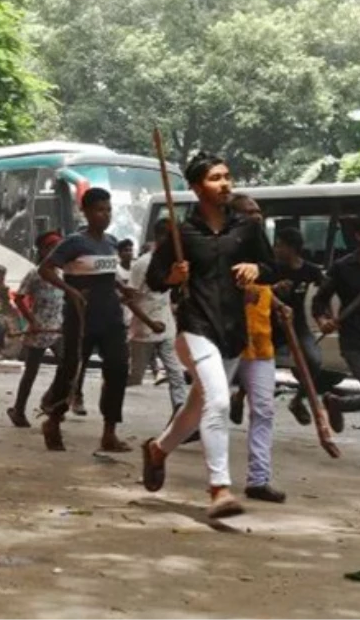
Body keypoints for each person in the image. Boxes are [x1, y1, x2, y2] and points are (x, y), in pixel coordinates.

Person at [140, 152, 276, 519]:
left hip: (233, 329)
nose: (225, 183)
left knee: (198, 403)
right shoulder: (180, 233)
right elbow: (154, 279)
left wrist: (255, 267)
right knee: (217, 402)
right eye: (216, 178)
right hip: (195, 328)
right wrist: (173, 277)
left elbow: (272, 267)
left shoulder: (246, 228)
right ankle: (219, 488)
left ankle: (157, 449)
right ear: (197, 187)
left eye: (227, 176)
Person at [37, 188, 140, 453]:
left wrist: (122, 289)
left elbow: (106, 275)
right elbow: (45, 269)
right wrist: (70, 290)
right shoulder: (73, 243)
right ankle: (54, 419)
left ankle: (109, 432)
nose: (105, 215)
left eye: (108, 209)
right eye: (99, 210)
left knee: (118, 369)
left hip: (111, 316)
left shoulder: (111, 242)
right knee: (72, 368)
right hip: (81, 317)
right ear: (85, 211)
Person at [311, 212, 360, 474]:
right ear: (358, 235)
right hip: (355, 341)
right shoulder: (343, 267)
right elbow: (319, 302)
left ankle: (337, 403)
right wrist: (324, 321)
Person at [230, 195, 287, 503]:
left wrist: (278, 304)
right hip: (228, 341)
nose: (256, 217)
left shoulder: (263, 255)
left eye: (258, 212)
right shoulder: (226, 249)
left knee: (264, 410)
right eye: (248, 212)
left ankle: (258, 479)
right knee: (208, 406)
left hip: (261, 344)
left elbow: (264, 285)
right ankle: (161, 449)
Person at [271, 227, 328, 427]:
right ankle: (239, 396)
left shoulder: (310, 270)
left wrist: (324, 316)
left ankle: (298, 401)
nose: (275, 248)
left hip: (298, 325)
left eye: (279, 245)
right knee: (256, 366)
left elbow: (325, 292)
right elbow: (257, 290)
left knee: (314, 361)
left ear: (291, 248)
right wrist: (274, 289)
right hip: (270, 327)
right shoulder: (271, 268)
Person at [7, 231, 65, 428]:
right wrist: (31, 320)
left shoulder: (61, 273)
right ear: (42, 250)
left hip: (57, 329)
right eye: (51, 247)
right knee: (30, 373)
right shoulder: (36, 273)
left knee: (68, 368)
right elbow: (19, 298)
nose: (56, 251)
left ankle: (50, 401)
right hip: (38, 330)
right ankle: (18, 410)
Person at [128, 219, 187, 414]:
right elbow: (130, 300)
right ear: (162, 237)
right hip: (144, 330)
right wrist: (150, 323)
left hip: (167, 327)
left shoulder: (172, 263)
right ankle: (112, 387)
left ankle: (179, 412)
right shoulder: (142, 264)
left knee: (175, 373)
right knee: (135, 376)